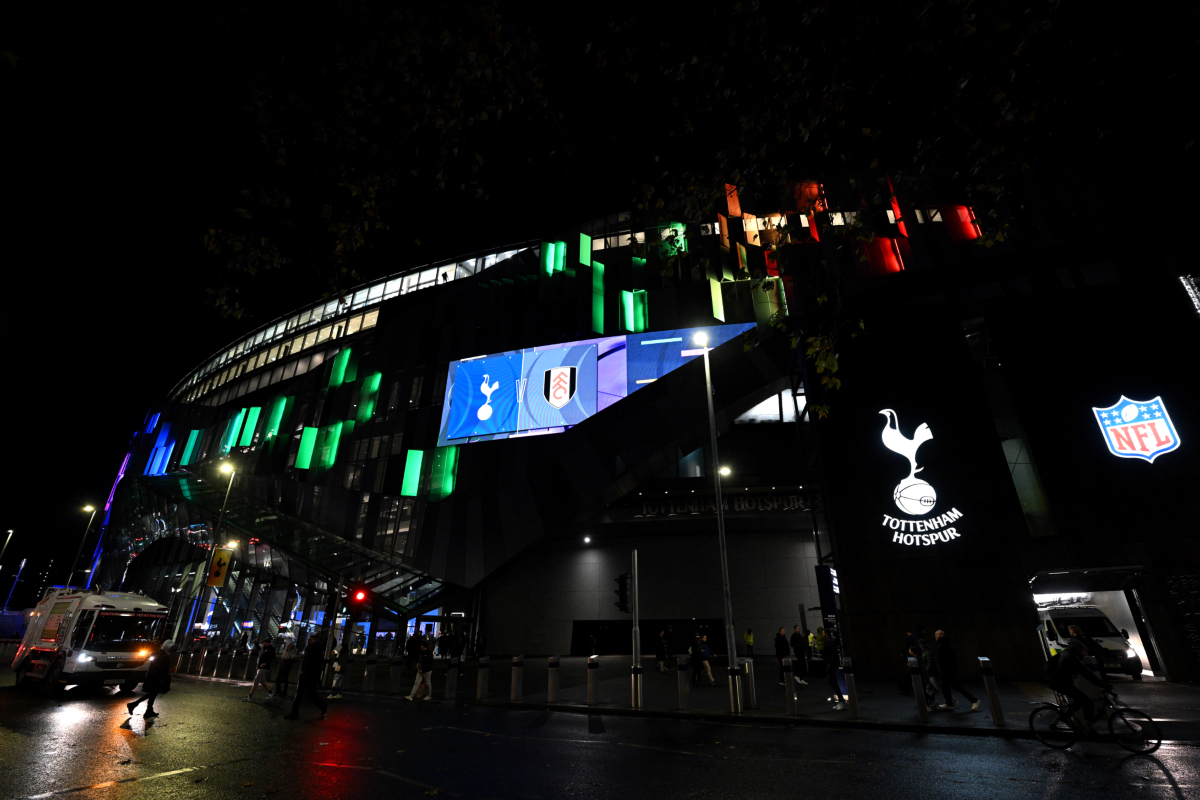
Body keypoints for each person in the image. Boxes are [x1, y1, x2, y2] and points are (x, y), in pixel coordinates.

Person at [1046, 639, 1111, 729]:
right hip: (1058, 682)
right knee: (1087, 702)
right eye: (1084, 651)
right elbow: (1086, 673)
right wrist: (1104, 685)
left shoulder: (1071, 655)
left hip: (1060, 681)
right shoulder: (1071, 657)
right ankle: (1088, 727)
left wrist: (1102, 684)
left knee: (1081, 700)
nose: (1086, 653)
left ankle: (1066, 717)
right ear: (1078, 650)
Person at [933, 629, 981, 711]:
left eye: (936, 634)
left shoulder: (944, 644)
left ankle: (974, 700)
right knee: (947, 685)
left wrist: (944, 668)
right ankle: (949, 703)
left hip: (947, 669)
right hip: (947, 669)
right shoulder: (944, 643)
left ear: (942, 635)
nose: (935, 636)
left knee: (952, 685)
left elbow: (946, 658)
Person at [285, 638, 328, 720]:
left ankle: (322, 705)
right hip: (306, 674)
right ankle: (294, 712)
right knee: (301, 693)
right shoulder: (310, 649)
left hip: (309, 675)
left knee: (309, 694)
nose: (308, 640)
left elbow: (316, 665)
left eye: (310, 639)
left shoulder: (315, 650)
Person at [126, 641, 170, 718]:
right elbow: (159, 668)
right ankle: (135, 705)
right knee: (152, 693)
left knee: (152, 694)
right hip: (155, 678)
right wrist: (162, 678)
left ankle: (147, 710)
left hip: (155, 677)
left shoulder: (160, 654)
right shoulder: (160, 655)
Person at [245, 637, 276, 701]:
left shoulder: (271, 649)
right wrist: (256, 643)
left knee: (256, 681)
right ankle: (270, 692)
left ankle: (250, 696)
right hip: (260, 666)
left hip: (264, 667)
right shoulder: (265, 648)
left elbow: (272, 657)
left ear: (266, 643)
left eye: (263, 643)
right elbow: (259, 649)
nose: (262, 644)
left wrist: (266, 663)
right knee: (262, 680)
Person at [825, 630, 847, 710]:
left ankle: (842, 701)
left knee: (832, 681)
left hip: (833, 664)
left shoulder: (831, 642)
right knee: (832, 681)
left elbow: (833, 653)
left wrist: (830, 663)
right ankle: (841, 701)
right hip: (832, 663)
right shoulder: (830, 641)